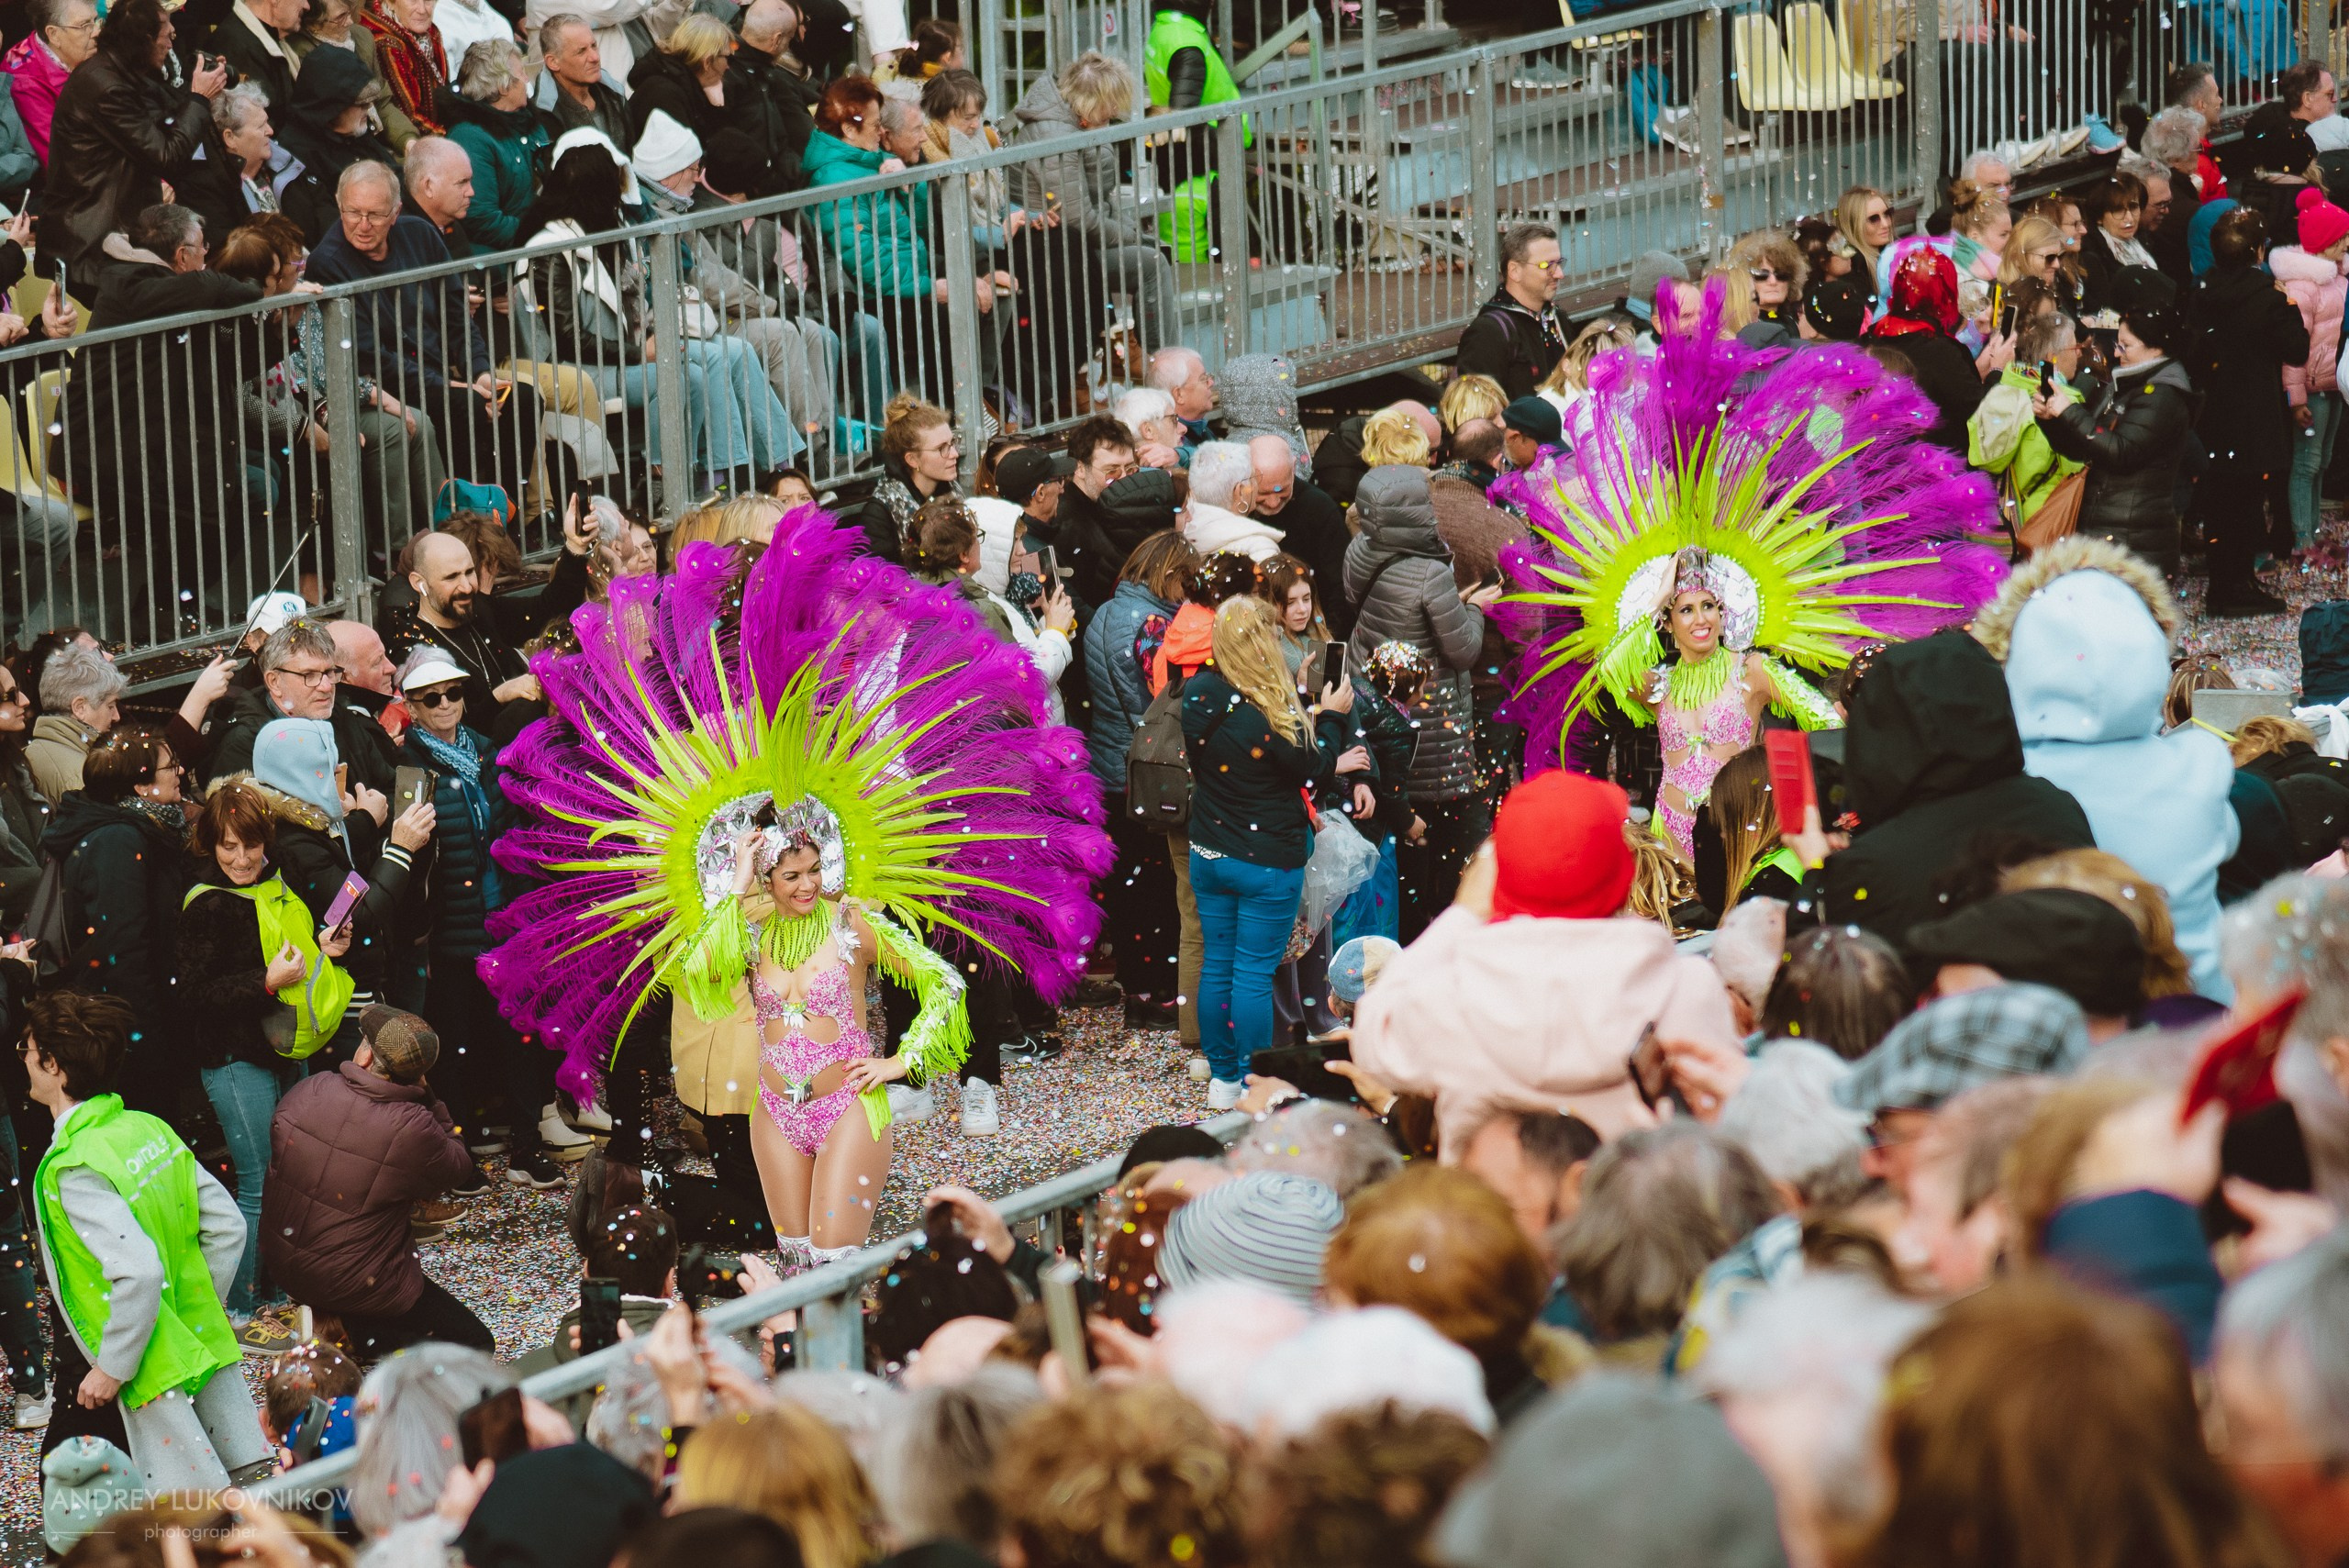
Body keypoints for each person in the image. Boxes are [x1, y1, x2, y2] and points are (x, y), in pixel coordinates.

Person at [480, 506, 1108, 1262]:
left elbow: (941, 981)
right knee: (769, 1222)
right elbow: (695, 978)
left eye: (814, 870)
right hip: (744, 1080)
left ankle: (660, 1200)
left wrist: (905, 1062)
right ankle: (648, 1196)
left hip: (830, 1092)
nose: (806, 883)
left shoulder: (848, 908)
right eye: (792, 872)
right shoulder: (728, 905)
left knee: (816, 1240)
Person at [1976, 536, 2240, 999]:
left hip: (2068, 1017)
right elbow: (2227, 839)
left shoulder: (2001, 784)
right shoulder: (2201, 765)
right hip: (2195, 1006)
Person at [26, 991, 270, 1491]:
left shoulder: (74, 1166)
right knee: (243, 1486)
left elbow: (137, 1270)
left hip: (139, 1368)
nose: (24, 1061)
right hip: (196, 1346)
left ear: (53, 1065)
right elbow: (228, 1226)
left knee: (181, 1509)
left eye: (27, 1051)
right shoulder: (148, 1128)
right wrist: (192, 1307)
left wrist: (115, 1365)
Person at [395, 649, 582, 1185]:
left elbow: (516, 833)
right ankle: (461, 1155)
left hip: (505, 923)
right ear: (412, 705)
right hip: (451, 932)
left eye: (453, 692)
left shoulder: (486, 753)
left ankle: (525, 1144)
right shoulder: (409, 770)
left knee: (518, 1038)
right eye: (432, 697)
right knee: (456, 1047)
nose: (446, 704)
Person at [176, 783, 354, 1341]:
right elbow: (192, 997)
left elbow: (291, 950)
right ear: (210, 846)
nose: (241, 858)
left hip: (283, 1048)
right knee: (258, 1182)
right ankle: (241, 1307)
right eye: (228, 846)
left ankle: (277, 1289)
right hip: (234, 1059)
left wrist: (325, 948)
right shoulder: (205, 904)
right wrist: (266, 982)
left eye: (250, 845)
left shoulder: (275, 884)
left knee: (287, 1176)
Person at [1183, 594, 1349, 1108]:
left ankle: (1224, 1078)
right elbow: (1315, 769)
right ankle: (1258, 1085)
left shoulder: (1198, 693)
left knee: (1218, 965)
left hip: (1210, 851)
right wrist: (1329, 716)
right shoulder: (1269, 711)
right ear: (1263, 642)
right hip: (1265, 860)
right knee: (1253, 971)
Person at [261, 1005, 491, 1361]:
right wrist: (430, 1099)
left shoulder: (312, 1088)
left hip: (284, 1265)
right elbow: (459, 1164)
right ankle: (355, 1337)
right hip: (357, 1281)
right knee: (475, 1343)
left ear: (366, 1055)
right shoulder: (414, 1127)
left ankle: (327, 1319)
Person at [1343, 465, 1500, 934]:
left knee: (1401, 830)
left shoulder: (1359, 550)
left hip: (1381, 702)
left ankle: (1406, 935)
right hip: (1431, 719)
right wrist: (1472, 608)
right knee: (1456, 837)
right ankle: (1454, 934)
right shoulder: (1430, 573)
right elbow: (1463, 650)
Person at [246, 716, 434, 1050]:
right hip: (340, 992)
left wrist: (354, 824)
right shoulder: (293, 841)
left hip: (349, 980)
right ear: (303, 777)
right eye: (332, 772)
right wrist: (402, 846)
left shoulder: (301, 827)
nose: (340, 781)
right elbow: (354, 912)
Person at [44, 731, 194, 1118]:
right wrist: (148, 1043)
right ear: (142, 786)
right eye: (169, 766)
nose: (180, 771)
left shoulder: (144, 827)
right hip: (131, 1038)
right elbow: (121, 951)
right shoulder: (118, 840)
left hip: (137, 1025)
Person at [1006, 52, 1175, 356]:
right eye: (1111, 101)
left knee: (1154, 253)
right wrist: (1134, 236)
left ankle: (1145, 354)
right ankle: (1162, 360)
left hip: (1076, 242)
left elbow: (1095, 205)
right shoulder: (1055, 135)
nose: (1115, 109)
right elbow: (1079, 219)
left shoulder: (1077, 124)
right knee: (1151, 263)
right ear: (1089, 100)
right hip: (1050, 250)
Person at [40, 0, 227, 268]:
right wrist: (199, 98)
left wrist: (200, 88)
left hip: (111, 235)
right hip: (92, 245)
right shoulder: (106, 87)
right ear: (146, 40)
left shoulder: (121, 74)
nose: (171, 45)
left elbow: (167, 121)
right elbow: (167, 156)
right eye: (167, 37)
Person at [2188, 205, 2308, 615]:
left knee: (2221, 502)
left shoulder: (2202, 290)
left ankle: (2229, 581)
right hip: (2254, 414)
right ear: (2258, 252)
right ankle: (2233, 587)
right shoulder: (2264, 299)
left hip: (2214, 412)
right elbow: (2297, 349)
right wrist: (2289, 306)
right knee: (2245, 502)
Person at [2032, 304, 2196, 573]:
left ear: (2156, 348)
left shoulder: (2162, 396)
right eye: (2118, 345)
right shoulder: (2128, 385)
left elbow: (2121, 452)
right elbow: (2086, 447)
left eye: (2126, 346)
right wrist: (2052, 420)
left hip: (2135, 538)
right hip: (2114, 529)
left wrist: (2070, 412)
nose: (2117, 354)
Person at [389, 518, 592, 728]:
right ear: (419, 583)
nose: (467, 587)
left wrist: (575, 547)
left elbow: (546, 609)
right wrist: (500, 696)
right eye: (451, 578)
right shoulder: (413, 652)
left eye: (469, 573)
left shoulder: (476, 609)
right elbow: (449, 732)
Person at [1865, 248, 2001, 453]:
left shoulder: (1872, 337)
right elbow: (1981, 413)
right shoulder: (1940, 352)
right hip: (1942, 466)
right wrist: (1996, 371)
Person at [2273, 186, 2349, 556]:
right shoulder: (2304, 287)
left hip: (2333, 384)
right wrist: (2296, 397)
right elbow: (2293, 348)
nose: (2348, 242)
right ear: (2324, 241)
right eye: (2342, 237)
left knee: (2325, 459)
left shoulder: (2337, 276)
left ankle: (2314, 530)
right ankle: (2303, 538)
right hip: (2313, 388)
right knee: (2307, 462)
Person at [445, 40, 550, 251]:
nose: (527, 79)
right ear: (503, 86)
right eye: (522, 73)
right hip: (501, 261)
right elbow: (481, 219)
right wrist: (542, 236)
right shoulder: (470, 138)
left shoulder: (529, 121)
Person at [852, 396, 963, 562]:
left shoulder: (952, 490)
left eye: (953, 443)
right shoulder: (880, 513)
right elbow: (879, 580)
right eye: (942, 448)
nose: (955, 454)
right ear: (912, 460)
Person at [3, 0, 96, 167]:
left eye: (95, 21)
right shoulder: (26, 82)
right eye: (84, 25)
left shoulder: (74, 52)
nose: (97, 32)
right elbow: (63, 161)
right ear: (53, 34)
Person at [25, 645, 122, 804]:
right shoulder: (81, 776)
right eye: (110, 706)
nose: (116, 716)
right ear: (80, 708)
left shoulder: (35, 750)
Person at [531, 13, 630, 146]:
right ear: (553, 62)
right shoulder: (544, 117)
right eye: (581, 51)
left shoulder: (614, 93)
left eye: (594, 45)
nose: (595, 57)